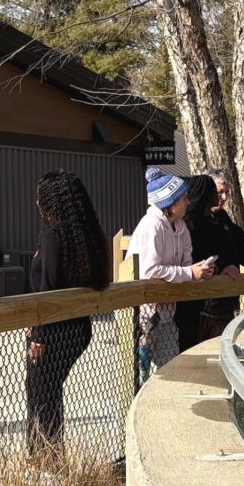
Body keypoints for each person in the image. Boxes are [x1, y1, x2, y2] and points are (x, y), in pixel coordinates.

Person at [25, 170, 111, 456]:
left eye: (40, 197)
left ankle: (44, 461)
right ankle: (52, 458)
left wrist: (38, 335)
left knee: (40, 397)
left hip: (51, 331)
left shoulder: (53, 236)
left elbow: (48, 292)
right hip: (78, 329)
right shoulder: (85, 237)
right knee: (50, 394)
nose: (37, 202)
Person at [176, 171, 244, 350]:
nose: (223, 197)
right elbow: (192, 259)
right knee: (202, 353)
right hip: (201, 306)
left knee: (221, 352)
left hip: (224, 301)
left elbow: (243, 249)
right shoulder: (191, 224)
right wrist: (221, 268)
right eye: (219, 192)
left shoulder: (222, 219)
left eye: (226, 193)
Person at [127, 170, 214, 378]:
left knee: (170, 367)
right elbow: (150, 270)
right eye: (183, 198)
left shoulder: (181, 227)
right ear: (170, 202)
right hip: (143, 313)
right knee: (141, 371)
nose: (188, 202)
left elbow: (185, 264)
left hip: (167, 311)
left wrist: (199, 270)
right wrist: (189, 272)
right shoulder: (152, 226)